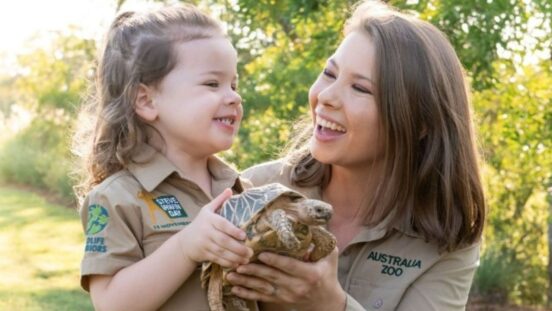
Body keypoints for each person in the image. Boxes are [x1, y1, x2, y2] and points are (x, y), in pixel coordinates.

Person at [227, 1, 486, 310]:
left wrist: (330, 304)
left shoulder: (449, 239)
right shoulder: (253, 189)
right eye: (329, 73)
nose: (325, 96)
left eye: (360, 89)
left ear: (421, 124)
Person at [73, 5, 255, 311]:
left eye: (234, 85)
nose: (234, 96)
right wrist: (186, 247)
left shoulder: (241, 190)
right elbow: (111, 303)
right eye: (212, 83)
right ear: (146, 100)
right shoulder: (117, 198)